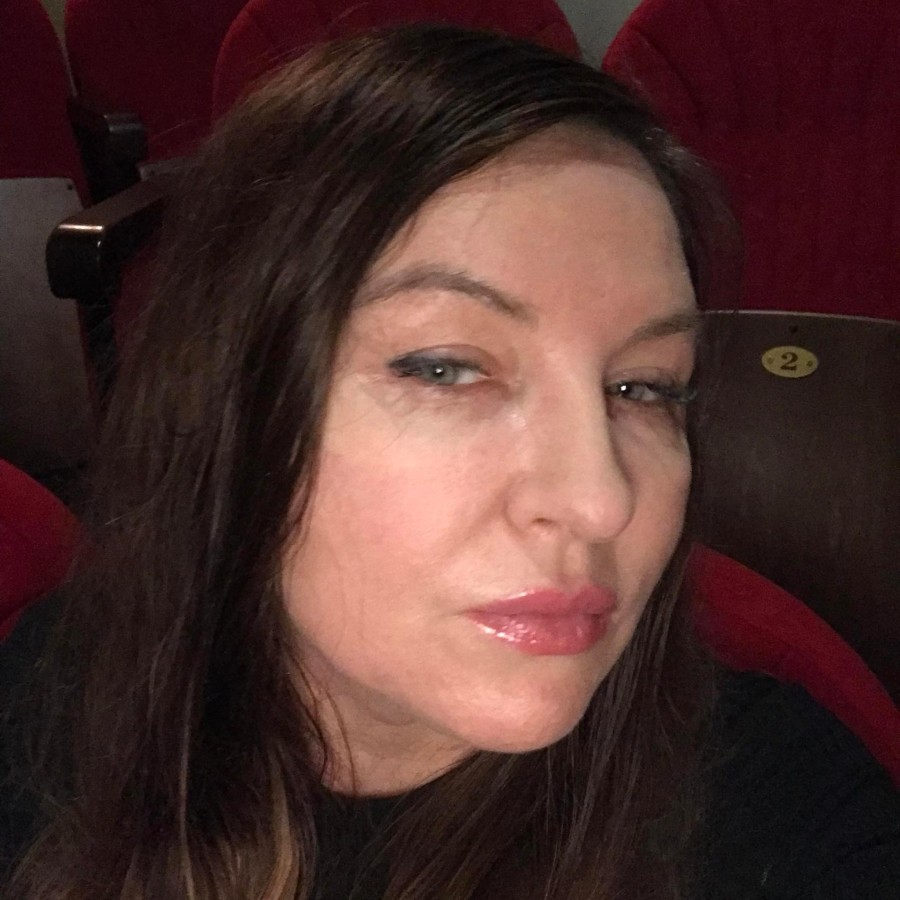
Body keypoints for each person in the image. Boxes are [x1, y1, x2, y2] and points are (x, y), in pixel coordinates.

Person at [1, 24, 898, 900]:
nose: (600, 500)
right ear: (228, 406)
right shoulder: (56, 706)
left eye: (643, 387)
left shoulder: (783, 817)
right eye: (446, 369)